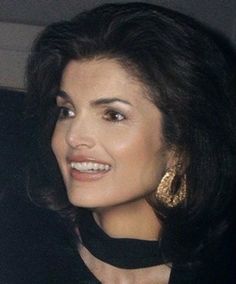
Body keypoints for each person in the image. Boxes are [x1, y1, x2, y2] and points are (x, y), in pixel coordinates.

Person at [25, 2, 236, 283]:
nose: (72, 136)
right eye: (67, 111)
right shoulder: (18, 250)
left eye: (112, 115)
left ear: (178, 148)